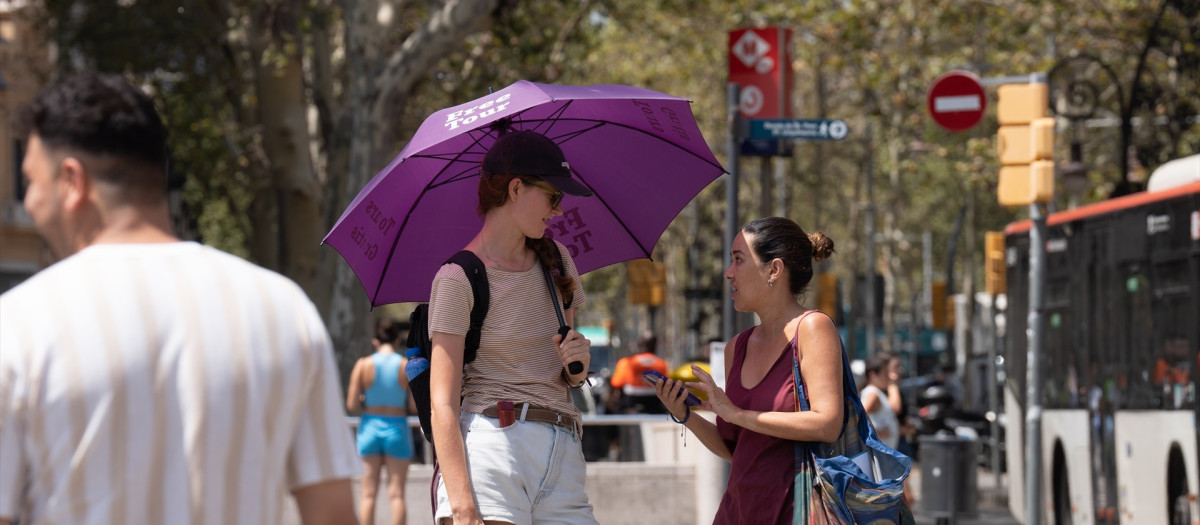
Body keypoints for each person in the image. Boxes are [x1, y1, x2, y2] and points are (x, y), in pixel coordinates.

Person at [0, 73, 358, 525]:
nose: (30, 200)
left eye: (30, 179)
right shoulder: (282, 310)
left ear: (72, 181)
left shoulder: (20, 324)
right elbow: (332, 515)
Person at [427, 130, 597, 525]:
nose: (558, 210)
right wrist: (463, 506)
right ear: (516, 188)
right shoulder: (457, 278)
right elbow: (443, 405)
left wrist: (579, 363)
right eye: (553, 196)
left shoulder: (558, 260)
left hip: (564, 450)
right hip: (490, 448)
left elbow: (569, 376)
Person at [653, 216, 842, 524]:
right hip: (738, 510)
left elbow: (828, 424)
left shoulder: (813, 328)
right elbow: (736, 450)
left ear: (774, 270)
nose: (728, 273)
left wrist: (736, 413)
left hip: (798, 510)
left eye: (738, 260)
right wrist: (686, 414)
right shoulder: (736, 348)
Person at [347, 318, 416, 525]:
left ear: (375, 342)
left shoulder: (363, 364)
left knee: (368, 494)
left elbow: (351, 405)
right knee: (396, 495)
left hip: (369, 429)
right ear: (397, 341)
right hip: (396, 429)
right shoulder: (405, 365)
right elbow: (413, 407)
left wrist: (363, 400)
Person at [608, 331, 670, 414]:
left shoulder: (626, 362)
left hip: (631, 401)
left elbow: (616, 383)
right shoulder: (661, 364)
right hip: (654, 402)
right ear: (655, 346)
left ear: (640, 345)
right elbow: (666, 385)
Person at [860, 354, 901, 449]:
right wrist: (876, 433)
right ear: (873, 375)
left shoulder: (877, 392)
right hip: (879, 453)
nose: (889, 377)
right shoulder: (873, 394)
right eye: (885, 373)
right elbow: (859, 417)